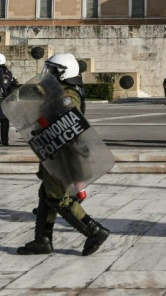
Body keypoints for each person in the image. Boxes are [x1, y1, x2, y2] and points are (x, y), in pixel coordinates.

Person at [17, 53, 110, 256]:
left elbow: (68, 125)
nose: (47, 74)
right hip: (55, 153)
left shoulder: (69, 95)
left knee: (58, 198)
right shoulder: (60, 92)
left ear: (62, 73)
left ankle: (94, 231)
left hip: (64, 155)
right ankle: (42, 240)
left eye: (51, 70)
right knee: (46, 194)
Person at [0, 53, 19, 146]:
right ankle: (4, 140)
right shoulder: (9, 73)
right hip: (6, 100)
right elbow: (13, 85)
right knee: (4, 121)